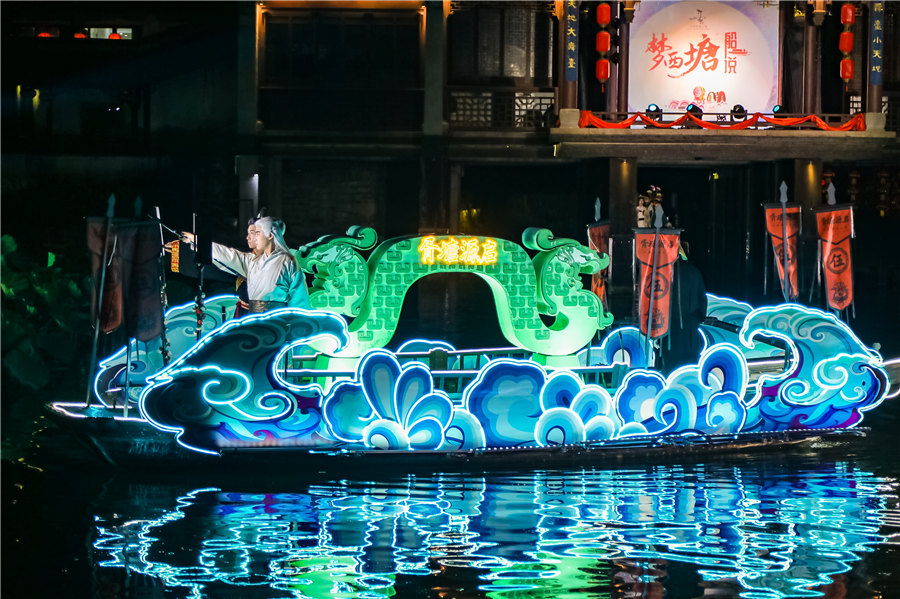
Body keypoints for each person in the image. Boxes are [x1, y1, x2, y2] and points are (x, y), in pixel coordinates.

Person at [182, 214, 310, 313]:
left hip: (276, 321)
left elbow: (299, 299)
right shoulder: (253, 261)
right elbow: (228, 255)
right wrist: (196, 240)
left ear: (270, 235)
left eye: (257, 233)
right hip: (252, 319)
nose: (252, 238)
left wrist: (297, 326)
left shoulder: (288, 261)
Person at [661, 243, 707, 374]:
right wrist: (699, 318)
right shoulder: (695, 272)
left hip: (671, 326)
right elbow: (702, 299)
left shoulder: (665, 272)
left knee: (671, 362)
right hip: (690, 324)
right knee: (690, 361)